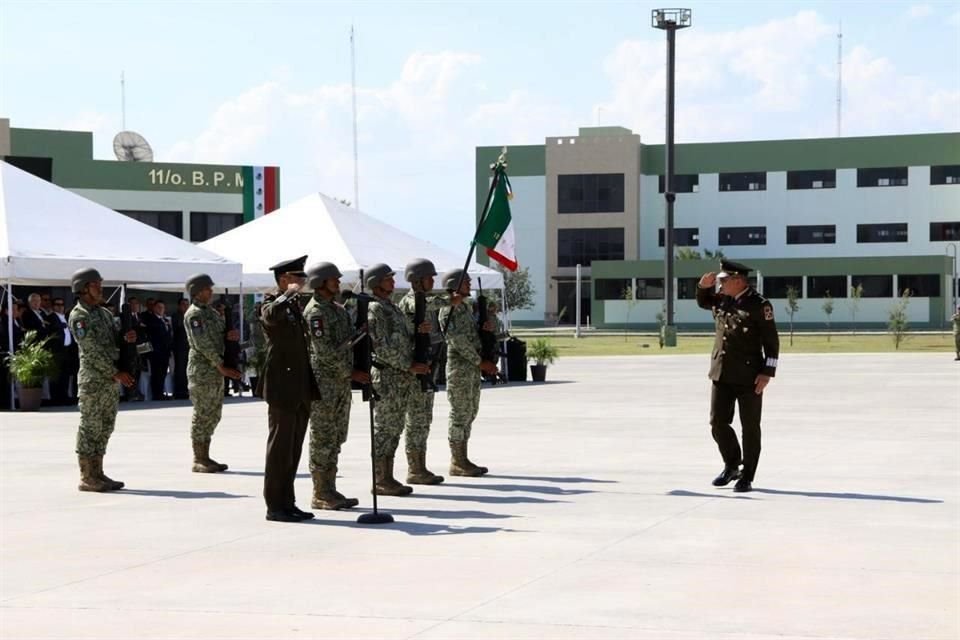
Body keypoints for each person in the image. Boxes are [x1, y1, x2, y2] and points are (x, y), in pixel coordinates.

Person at [696, 260, 779, 493]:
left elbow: (772, 343)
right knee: (717, 423)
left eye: (723, 280)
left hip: (749, 376)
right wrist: (703, 287)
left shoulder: (759, 305)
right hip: (721, 373)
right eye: (719, 281)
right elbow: (704, 302)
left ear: (738, 280)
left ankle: (747, 475)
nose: (720, 284)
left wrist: (767, 373)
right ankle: (732, 464)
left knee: (750, 427)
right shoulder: (723, 299)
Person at [302, 262, 368, 510]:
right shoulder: (316, 313)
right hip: (325, 384)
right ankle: (320, 492)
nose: (338, 283)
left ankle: (330, 488)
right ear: (321, 282)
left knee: (336, 436)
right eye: (334, 280)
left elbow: (347, 342)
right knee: (322, 436)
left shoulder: (337, 310)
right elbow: (324, 354)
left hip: (339, 383)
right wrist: (351, 372)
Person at [259, 255, 319, 522]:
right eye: (298, 278)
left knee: (293, 449)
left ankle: (288, 501)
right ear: (284, 280)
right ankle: (275, 505)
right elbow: (271, 318)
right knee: (280, 449)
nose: (302, 283)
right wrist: (286, 295)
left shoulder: (294, 306)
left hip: (299, 386)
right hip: (282, 387)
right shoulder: (272, 303)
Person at [68, 268, 137, 492]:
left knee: (105, 427)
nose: (101, 288)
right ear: (83, 288)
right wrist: (115, 372)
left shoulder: (104, 313)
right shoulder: (80, 316)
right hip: (93, 381)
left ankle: (98, 472)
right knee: (90, 427)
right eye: (96, 284)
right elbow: (91, 350)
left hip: (108, 381)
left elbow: (114, 340)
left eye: (101, 283)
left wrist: (126, 338)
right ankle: (87, 476)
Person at [396, 258, 460, 485]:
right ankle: (414, 468)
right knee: (415, 419)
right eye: (429, 277)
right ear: (417, 280)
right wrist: (449, 300)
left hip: (428, 366)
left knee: (424, 419)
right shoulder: (411, 302)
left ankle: (420, 466)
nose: (433, 280)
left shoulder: (426, 301)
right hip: (414, 370)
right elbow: (426, 307)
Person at [366, 263, 427, 496]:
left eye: (392, 278)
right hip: (387, 377)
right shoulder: (375, 309)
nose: (392, 282)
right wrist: (408, 365)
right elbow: (381, 346)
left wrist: (418, 330)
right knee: (384, 429)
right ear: (375, 283)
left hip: (400, 379)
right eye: (387, 279)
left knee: (394, 428)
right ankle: (380, 479)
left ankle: (388, 477)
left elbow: (401, 337)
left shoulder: (391, 307)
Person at [438, 269, 498, 476]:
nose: (470, 284)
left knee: (470, 412)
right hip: (460, 369)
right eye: (466, 281)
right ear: (455, 285)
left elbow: (473, 337)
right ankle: (457, 460)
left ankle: (463, 458)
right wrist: (480, 362)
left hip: (471, 369)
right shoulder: (449, 310)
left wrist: (488, 328)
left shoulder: (465, 308)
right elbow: (457, 341)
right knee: (459, 414)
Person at [184, 275, 242, 473]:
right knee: (202, 413)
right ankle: (199, 458)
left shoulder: (212, 313)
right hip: (203, 371)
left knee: (213, 414)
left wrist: (231, 338)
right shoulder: (195, 315)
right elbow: (202, 344)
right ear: (197, 291)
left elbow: (219, 338)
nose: (211, 292)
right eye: (208, 289)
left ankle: (205, 456)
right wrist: (220, 366)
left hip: (215, 371)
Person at [142, 300, 173, 401]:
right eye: (158, 307)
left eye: (162, 307)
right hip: (156, 352)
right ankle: (157, 394)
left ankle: (161, 392)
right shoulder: (151, 320)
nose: (161, 309)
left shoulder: (164, 320)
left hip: (165, 351)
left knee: (163, 373)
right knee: (156, 374)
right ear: (154, 308)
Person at [172, 298, 190, 399]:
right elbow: (177, 329)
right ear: (179, 306)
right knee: (180, 370)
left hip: (189, 347)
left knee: (188, 369)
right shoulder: (176, 316)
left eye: (187, 304)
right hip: (179, 347)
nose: (185, 306)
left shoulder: (191, 316)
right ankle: (179, 391)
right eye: (183, 304)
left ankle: (186, 390)